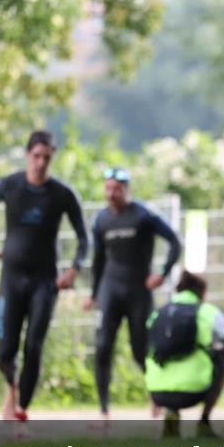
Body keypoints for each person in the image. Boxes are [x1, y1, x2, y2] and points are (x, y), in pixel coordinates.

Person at [0, 130, 88, 421]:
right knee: (5, 351)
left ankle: (22, 409)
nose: (40, 163)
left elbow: (85, 238)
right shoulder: (10, 185)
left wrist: (74, 268)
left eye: (46, 158)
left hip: (45, 282)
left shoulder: (62, 194)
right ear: (27, 155)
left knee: (34, 345)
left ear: (52, 159)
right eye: (36, 156)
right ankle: (11, 389)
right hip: (11, 279)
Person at [82, 167, 182, 422]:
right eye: (108, 188)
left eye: (117, 188)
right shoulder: (101, 220)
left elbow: (174, 242)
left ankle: (156, 397)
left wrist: (162, 272)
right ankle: (104, 411)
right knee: (103, 346)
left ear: (127, 190)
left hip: (139, 292)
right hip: (110, 291)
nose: (111, 193)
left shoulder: (143, 214)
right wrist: (93, 294)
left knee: (141, 351)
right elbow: (98, 260)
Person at [144, 270, 224, 436]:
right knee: (223, 355)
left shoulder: (159, 313)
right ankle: (203, 422)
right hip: (196, 391)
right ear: (202, 292)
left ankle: (171, 417)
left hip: (158, 393)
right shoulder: (208, 312)